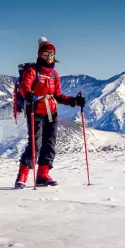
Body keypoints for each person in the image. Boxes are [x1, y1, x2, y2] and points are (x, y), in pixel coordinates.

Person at [15, 37, 86, 188]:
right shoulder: (32, 70)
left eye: (51, 54)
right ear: (40, 54)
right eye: (46, 53)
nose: (49, 56)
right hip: (35, 110)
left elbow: (58, 95)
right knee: (35, 144)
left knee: (50, 143)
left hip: (51, 112)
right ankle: (22, 176)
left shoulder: (54, 74)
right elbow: (25, 86)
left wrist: (74, 101)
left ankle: (42, 174)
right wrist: (28, 94)